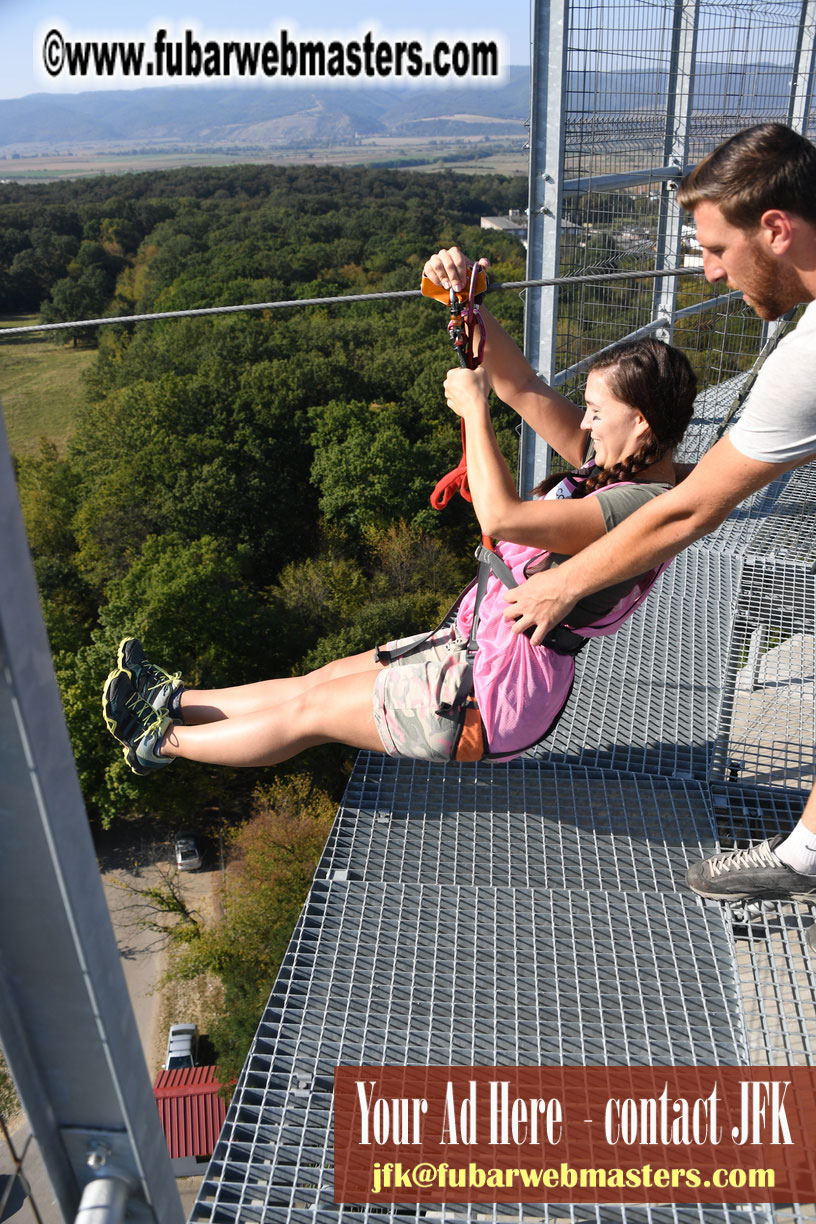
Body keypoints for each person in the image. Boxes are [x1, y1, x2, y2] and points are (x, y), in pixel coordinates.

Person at [101, 268, 696, 776]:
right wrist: (467, 302)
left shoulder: (637, 505)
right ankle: (172, 700)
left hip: (489, 698)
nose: (585, 424)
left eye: (596, 412)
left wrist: (473, 411)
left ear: (641, 422)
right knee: (320, 681)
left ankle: (157, 740)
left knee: (309, 716)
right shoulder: (616, 467)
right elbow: (525, 386)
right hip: (477, 652)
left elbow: (502, 517)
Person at [491, 121, 816, 905]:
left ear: (775, 229)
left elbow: (687, 512)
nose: (706, 275)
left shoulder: (806, 361)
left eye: (714, 248)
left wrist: (565, 588)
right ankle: (806, 853)